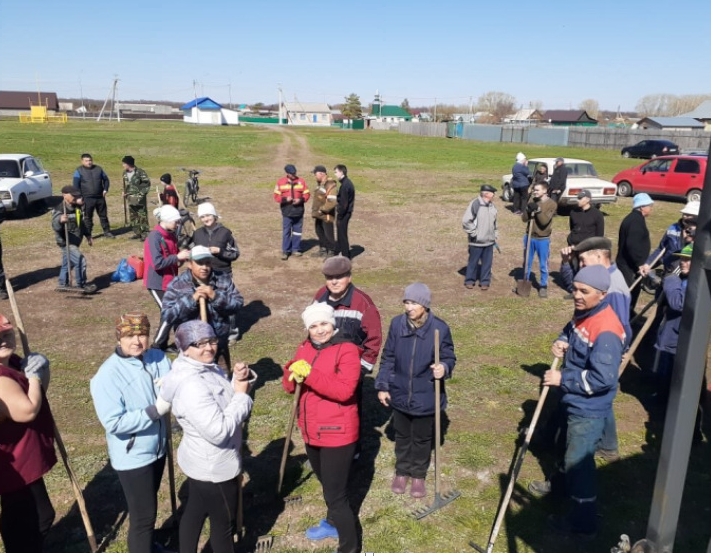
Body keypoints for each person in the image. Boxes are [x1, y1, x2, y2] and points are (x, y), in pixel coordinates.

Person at [529, 265, 625, 539]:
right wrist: (561, 342)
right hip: (572, 401)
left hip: (589, 408)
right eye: (575, 289)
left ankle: (583, 522)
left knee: (578, 463)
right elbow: (571, 330)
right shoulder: (585, 312)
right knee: (563, 447)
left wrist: (562, 379)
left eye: (584, 291)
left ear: (603, 294)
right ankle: (559, 489)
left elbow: (602, 380)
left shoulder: (606, 330)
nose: (577, 295)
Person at [159, 320, 253, 553]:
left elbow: (221, 401)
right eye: (199, 343)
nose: (209, 348)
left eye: (211, 340)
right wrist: (242, 397)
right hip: (214, 467)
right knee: (223, 525)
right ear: (184, 348)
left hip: (200, 462)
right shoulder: (192, 385)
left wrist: (237, 381)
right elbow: (218, 431)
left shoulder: (203, 366)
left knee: (195, 510)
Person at [90, 312, 172, 553]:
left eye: (143, 334)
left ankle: (147, 545)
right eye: (130, 335)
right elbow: (113, 422)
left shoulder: (156, 356)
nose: (137, 341)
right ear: (119, 338)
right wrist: (154, 411)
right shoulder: (107, 375)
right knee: (143, 517)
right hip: (133, 455)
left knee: (150, 506)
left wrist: (173, 383)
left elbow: (174, 378)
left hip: (158, 447)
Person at [282, 302, 361, 552]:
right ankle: (332, 522)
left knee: (336, 496)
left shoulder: (347, 350)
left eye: (324, 324)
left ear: (333, 324)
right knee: (328, 486)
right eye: (313, 326)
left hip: (338, 433)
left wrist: (310, 375)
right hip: (311, 431)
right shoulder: (305, 346)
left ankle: (350, 548)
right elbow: (290, 386)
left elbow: (344, 390)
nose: (319, 330)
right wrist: (291, 374)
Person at [375, 283, 456, 499]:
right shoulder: (397, 325)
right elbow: (388, 357)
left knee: (421, 439)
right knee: (402, 436)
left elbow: (449, 356)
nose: (409, 307)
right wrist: (383, 385)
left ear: (425, 306)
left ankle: (418, 475)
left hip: (426, 395)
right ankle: (402, 471)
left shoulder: (439, 329)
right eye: (407, 302)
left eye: (414, 303)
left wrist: (444, 367)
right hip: (400, 392)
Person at [314, 256, 383, 458]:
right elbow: (311, 330)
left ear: (349, 277)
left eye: (339, 277)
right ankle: (324, 446)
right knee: (324, 407)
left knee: (349, 411)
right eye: (329, 277)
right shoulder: (319, 297)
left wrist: (361, 370)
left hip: (349, 371)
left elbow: (374, 339)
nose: (334, 282)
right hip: (324, 368)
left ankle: (352, 450)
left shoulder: (363, 303)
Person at [0, 314, 55, 553]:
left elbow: (38, 393)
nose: (4, 340)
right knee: (25, 520)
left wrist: (42, 372)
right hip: (14, 465)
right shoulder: (1, 379)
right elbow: (28, 410)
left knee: (40, 515)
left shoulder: (12, 362)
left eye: (7, 334)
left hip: (26, 459)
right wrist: (33, 376)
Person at [161, 245, 244, 362]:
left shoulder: (223, 280)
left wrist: (215, 297)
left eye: (208, 262)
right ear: (190, 264)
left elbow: (238, 304)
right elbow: (167, 315)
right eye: (199, 263)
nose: (204, 267)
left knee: (221, 378)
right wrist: (192, 299)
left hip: (218, 344)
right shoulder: (177, 285)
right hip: (191, 347)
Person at [144, 205, 191, 352]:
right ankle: (157, 346)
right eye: (176, 222)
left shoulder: (170, 234)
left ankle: (166, 343)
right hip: (157, 283)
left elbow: (173, 256)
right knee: (169, 312)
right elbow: (157, 263)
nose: (178, 224)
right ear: (166, 220)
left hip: (170, 280)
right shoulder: (154, 238)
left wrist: (183, 257)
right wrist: (177, 257)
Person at [192, 202, 241, 342]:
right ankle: (210, 330)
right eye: (202, 217)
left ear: (214, 215)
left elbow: (235, 253)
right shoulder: (197, 234)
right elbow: (190, 251)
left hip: (222, 273)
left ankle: (232, 333)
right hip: (204, 274)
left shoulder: (225, 233)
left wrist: (220, 251)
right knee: (206, 303)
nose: (205, 219)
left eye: (207, 215)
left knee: (226, 302)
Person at [51, 185, 97, 293]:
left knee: (68, 262)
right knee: (80, 260)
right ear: (64, 195)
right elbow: (54, 225)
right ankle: (81, 285)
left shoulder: (76, 206)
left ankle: (63, 283)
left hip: (76, 240)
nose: (75, 197)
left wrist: (88, 235)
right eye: (73, 195)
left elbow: (81, 223)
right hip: (66, 242)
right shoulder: (59, 208)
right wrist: (60, 221)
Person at [616, 193, 654, 315]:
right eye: (649, 206)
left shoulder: (635, 219)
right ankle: (624, 317)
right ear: (642, 207)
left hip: (629, 265)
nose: (651, 208)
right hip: (629, 266)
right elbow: (633, 245)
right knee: (630, 292)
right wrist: (639, 264)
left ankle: (629, 314)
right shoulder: (635, 222)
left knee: (633, 292)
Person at [640, 200, 698, 279]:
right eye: (684, 214)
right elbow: (661, 249)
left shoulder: (701, 235)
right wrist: (648, 263)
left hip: (685, 276)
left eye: (689, 215)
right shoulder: (673, 228)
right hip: (668, 272)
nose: (685, 217)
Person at [521, 182, 557, 298]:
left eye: (537, 190)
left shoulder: (552, 204)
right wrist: (527, 209)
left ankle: (543, 286)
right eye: (534, 190)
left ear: (545, 191)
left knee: (543, 264)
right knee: (527, 262)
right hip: (530, 237)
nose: (534, 192)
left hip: (543, 239)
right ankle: (525, 281)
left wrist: (537, 210)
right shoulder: (533, 200)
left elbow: (544, 222)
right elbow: (524, 219)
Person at [462, 184, 498, 291]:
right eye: (492, 193)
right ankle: (469, 280)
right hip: (476, 242)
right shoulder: (475, 204)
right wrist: (474, 233)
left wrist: (495, 234)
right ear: (486, 194)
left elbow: (495, 222)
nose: (494, 195)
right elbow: (466, 221)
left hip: (489, 241)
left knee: (487, 263)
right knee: (473, 262)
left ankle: (485, 282)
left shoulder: (492, 206)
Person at [274, 164, 310, 260]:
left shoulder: (301, 181)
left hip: (299, 211)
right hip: (287, 211)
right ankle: (286, 251)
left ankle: (296, 249)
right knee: (286, 232)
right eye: (292, 173)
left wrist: (301, 200)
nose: (294, 175)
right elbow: (276, 197)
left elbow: (307, 194)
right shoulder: (280, 182)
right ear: (287, 173)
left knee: (297, 232)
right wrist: (286, 199)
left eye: (295, 173)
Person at [73, 153, 114, 238]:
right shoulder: (78, 171)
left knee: (103, 216)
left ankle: (107, 232)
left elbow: (106, 180)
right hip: (87, 198)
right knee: (88, 217)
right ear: (82, 161)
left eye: (90, 160)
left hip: (100, 197)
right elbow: (75, 186)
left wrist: (105, 189)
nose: (89, 162)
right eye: (86, 161)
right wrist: (79, 197)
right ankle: (88, 234)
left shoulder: (98, 169)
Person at [310, 165, 338, 257]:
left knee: (328, 234)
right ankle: (323, 249)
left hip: (326, 215)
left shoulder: (330, 184)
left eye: (315, 174)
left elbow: (332, 201)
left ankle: (331, 251)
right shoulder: (321, 183)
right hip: (319, 214)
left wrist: (322, 210)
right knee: (319, 231)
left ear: (322, 174)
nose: (314, 176)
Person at [122, 155, 151, 240]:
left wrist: (141, 195)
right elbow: (126, 185)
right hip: (130, 198)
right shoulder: (124, 173)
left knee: (142, 216)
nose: (123, 165)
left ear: (128, 164)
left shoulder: (140, 172)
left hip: (139, 199)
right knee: (133, 216)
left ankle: (145, 234)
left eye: (124, 164)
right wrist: (124, 192)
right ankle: (137, 232)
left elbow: (147, 184)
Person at [334, 164, 355, 259]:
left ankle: (345, 255)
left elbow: (344, 203)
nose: (335, 174)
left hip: (344, 213)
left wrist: (340, 215)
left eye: (336, 172)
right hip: (346, 212)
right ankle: (343, 252)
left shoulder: (345, 185)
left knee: (342, 234)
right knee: (341, 233)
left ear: (342, 172)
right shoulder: (346, 183)